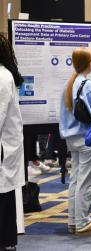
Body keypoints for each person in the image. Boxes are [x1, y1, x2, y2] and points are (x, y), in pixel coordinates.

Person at [59, 47, 91, 236]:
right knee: (87, 181)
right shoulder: (88, 86)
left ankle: (73, 221)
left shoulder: (68, 84)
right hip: (89, 139)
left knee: (76, 179)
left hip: (72, 139)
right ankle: (82, 222)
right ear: (89, 63)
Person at [0, 34, 25, 251]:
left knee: (4, 200)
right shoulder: (5, 75)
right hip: (6, 152)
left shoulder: (2, 77)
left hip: (3, 152)